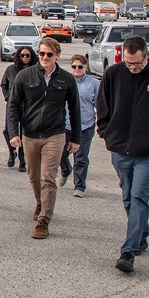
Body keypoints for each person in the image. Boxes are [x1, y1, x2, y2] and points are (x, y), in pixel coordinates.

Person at [97, 36, 149, 273]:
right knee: (127, 196)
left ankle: (128, 252)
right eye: (128, 63)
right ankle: (141, 234)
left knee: (138, 197)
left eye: (137, 63)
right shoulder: (114, 74)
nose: (133, 67)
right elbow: (102, 106)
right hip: (120, 149)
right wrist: (106, 131)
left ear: (147, 56)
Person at [7, 37, 80, 240]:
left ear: (57, 55)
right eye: (41, 54)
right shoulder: (25, 76)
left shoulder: (66, 79)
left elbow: (75, 110)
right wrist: (14, 133)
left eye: (49, 54)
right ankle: (40, 202)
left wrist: (75, 138)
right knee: (33, 176)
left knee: (48, 177)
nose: (45, 57)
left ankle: (44, 221)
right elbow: (12, 106)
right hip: (30, 134)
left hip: (55, 134)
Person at [58, 54, 100, 196]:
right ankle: (65, 169)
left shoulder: (94, 83)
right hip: (66, 125)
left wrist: (101, 121)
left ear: (86, 67)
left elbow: (99, 104)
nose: (77, 69)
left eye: (80, 67)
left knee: (81, 157)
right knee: (60, 154)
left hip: (85, 125)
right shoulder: (65, 81)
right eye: (74, 66)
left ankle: (79, 187)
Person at [1, 46, 36, 172]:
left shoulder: (34, 70)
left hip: (28, 106)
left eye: (28, 55)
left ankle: (22, 161)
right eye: (22, 55)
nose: (25, 58)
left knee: (23, 133)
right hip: (13, 105)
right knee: (7, 131)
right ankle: (12, 152)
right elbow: (3, 84)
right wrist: (7, 97)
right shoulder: (11, 69)